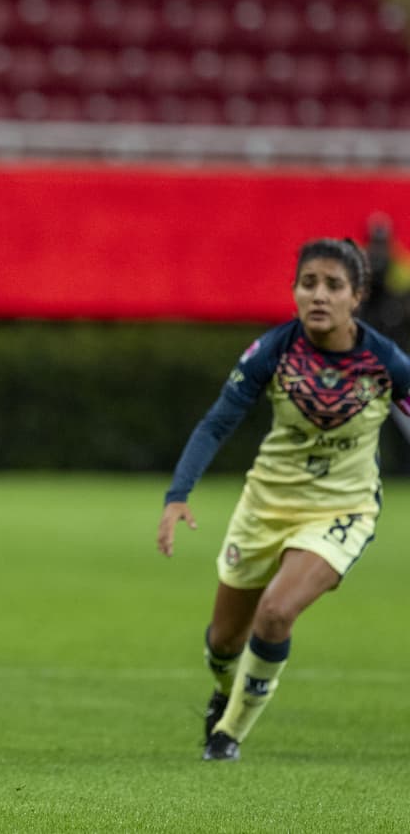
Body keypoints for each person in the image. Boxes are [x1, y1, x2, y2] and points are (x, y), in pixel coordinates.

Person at [156, 238, 410, 762]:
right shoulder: (273, 351)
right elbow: (217, 423)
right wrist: (178, 494)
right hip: (264, 507)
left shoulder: (386, 363)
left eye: (333, 285)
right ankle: (224, 690)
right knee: (223, 643)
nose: (318, 295)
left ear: (357, 297)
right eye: (308, 283)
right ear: (294, 291)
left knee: (275, 613)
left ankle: (228, 735)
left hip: (342, 510)